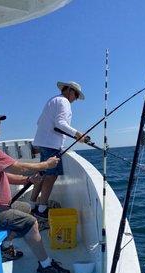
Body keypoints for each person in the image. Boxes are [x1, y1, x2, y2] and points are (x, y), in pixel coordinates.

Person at [0, 105, 70, 273]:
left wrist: (27, 181)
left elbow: (3, 174)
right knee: (30, 222)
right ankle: (45, 266)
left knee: (24, 208)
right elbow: (19, 167)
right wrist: (46, 165)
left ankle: (6, 247)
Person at [30, 81, 85, 219]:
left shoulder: (53, 100)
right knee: (50, 176)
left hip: (42, 143)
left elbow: (40, 122)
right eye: (76, 95)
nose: (75, 99)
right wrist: (78, 135)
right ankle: (41, 210)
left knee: (41, 174)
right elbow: (60, 123)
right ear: (70, 91)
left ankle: (32, 205)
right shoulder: (64, 102)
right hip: (51, 145)